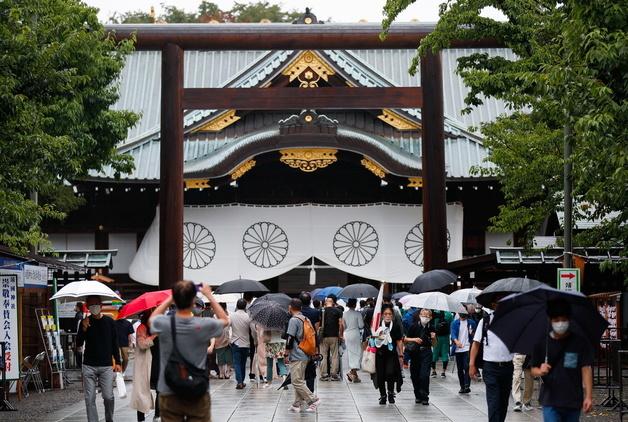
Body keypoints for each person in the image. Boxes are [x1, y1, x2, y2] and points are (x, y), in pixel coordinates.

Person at [150, 281, 228, 422]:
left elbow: (152, 319)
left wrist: (170, 298)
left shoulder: (165, 323)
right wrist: (209, 295)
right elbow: (225, 320)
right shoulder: (203, 324)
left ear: (175, 300)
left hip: (169, 390)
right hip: (197, 389)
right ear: (193, 301)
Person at [530, 299, 594, 422]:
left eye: (563, 320)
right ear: (550, 320)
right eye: (556, 320)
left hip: (573, 399)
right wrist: (540, 371)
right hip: (550, 400)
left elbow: (586, 368)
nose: (560, 323)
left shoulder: (579, 342)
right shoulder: (542, 343)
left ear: (569, 320)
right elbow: (533, 369)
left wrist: (589, 396)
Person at [76, 295, 122, 422]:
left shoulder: (110, 321)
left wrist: (118, 362)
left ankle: (109, 419)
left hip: (106, 365)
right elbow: (78, 344)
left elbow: (115, 343)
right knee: (89, 398)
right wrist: (83, 328)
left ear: (101, 305)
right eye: (91, 305)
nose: (94, 307)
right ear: (88, 307)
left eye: (96, 304)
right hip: (89, 365)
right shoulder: (85, 322)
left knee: (108, 397)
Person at [470, 295, 514, 422]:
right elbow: (476, 343)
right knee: (494, 402)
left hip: (507, 367)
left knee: (504, 402)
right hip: (490, 368)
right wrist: (472, 365)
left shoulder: (513, 322)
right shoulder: (485, 321)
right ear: (493, 305)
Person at [285, 298, 320, 413]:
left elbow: (289, 338)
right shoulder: (306, 319)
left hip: (297, 354)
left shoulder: (293, 320)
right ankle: (296, 404)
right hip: (305, 353)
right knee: (298, 379)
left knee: (296, 381)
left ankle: (313, 400)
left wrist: (286, 352)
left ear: (290, 307)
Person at [372, 305, 404, 405]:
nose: (387, 316)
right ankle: (383, 396)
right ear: (382, 315)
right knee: (380, 376)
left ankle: (390, 393)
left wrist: (401, 355)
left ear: (392, 315)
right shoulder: (377, 326)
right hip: (380, 354)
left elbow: (399, 341)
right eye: (385, 314)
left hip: (391, 354)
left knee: (390, 373)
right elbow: (372, 339)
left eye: (389, 314)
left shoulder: (395, 326)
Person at [404, 308, 436, 405]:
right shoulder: (413, 326)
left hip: (426, 352)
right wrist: (414, 339)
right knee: (414, 375)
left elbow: (434, 344)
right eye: (423, 315)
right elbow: (405, 339)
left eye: (427, 316)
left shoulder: (432, 327)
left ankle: (425, 396)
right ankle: (417, 395)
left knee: (424, 375)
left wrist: (434, 338)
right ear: (419, 316)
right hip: (415, 353)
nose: (425, 317)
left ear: (430, 317)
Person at [131, 310, 158, 422]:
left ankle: (158, 414)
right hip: (145, 363)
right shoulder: (141, 328)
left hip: (157, 362)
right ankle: (141, 419)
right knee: (141, 392)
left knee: (160, 389)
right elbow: (142, 344)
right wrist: (154, 336)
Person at [451, 312, 477, 394]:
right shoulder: (455, 323)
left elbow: (475, 334)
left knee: (466, 366)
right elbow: (453, 334)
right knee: (459, 368)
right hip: (458, 348)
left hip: (467, 347)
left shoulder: (471, 322)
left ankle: (467, 385)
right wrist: (456, 341)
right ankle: (462, 386)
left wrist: (472, 333)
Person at [319, 294, 344, 381]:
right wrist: (340, 335)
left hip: (323, 336)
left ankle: (324, 375)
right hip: (334, 336)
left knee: (323, 355)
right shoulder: (338, 311)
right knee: (334, 355)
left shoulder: (321, 311)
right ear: (333, 303)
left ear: (326, 302)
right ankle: (334, 374)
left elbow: (318, 324)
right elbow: (341, 324)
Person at [230, 298, 251, 389]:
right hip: (246, 342)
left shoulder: (232, 315)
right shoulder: (248, 316)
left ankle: (239, 382)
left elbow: (228, 327)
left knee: (237, 363)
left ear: (237, 306)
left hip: (236, 342)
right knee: (243, 363)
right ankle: (241, 381)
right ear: (245, 306)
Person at [343, 298, 364, 383]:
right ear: (355, 304)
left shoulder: (344, 314)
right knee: (357, 353)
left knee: (351, 353)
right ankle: (352, 372)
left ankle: (355, 375)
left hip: (347, 333)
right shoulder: (357, 314)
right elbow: (361, 325)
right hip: (355, 333)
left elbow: (343, 326)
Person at [431, 310, 453, 378]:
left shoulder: (434, 312)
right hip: (446, 337)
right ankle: (443, 372)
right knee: (445, 354)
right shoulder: (449, 314)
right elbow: (451, 325)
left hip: (436, 336)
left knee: (434, 354)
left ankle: (434, 371)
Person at [214, 302, 232, 379]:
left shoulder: (215, 316)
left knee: (220, 357)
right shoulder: (227, 316)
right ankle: (227, 373)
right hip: (226, 338)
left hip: (218, 338)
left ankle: (221, 373)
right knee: (228, 357)